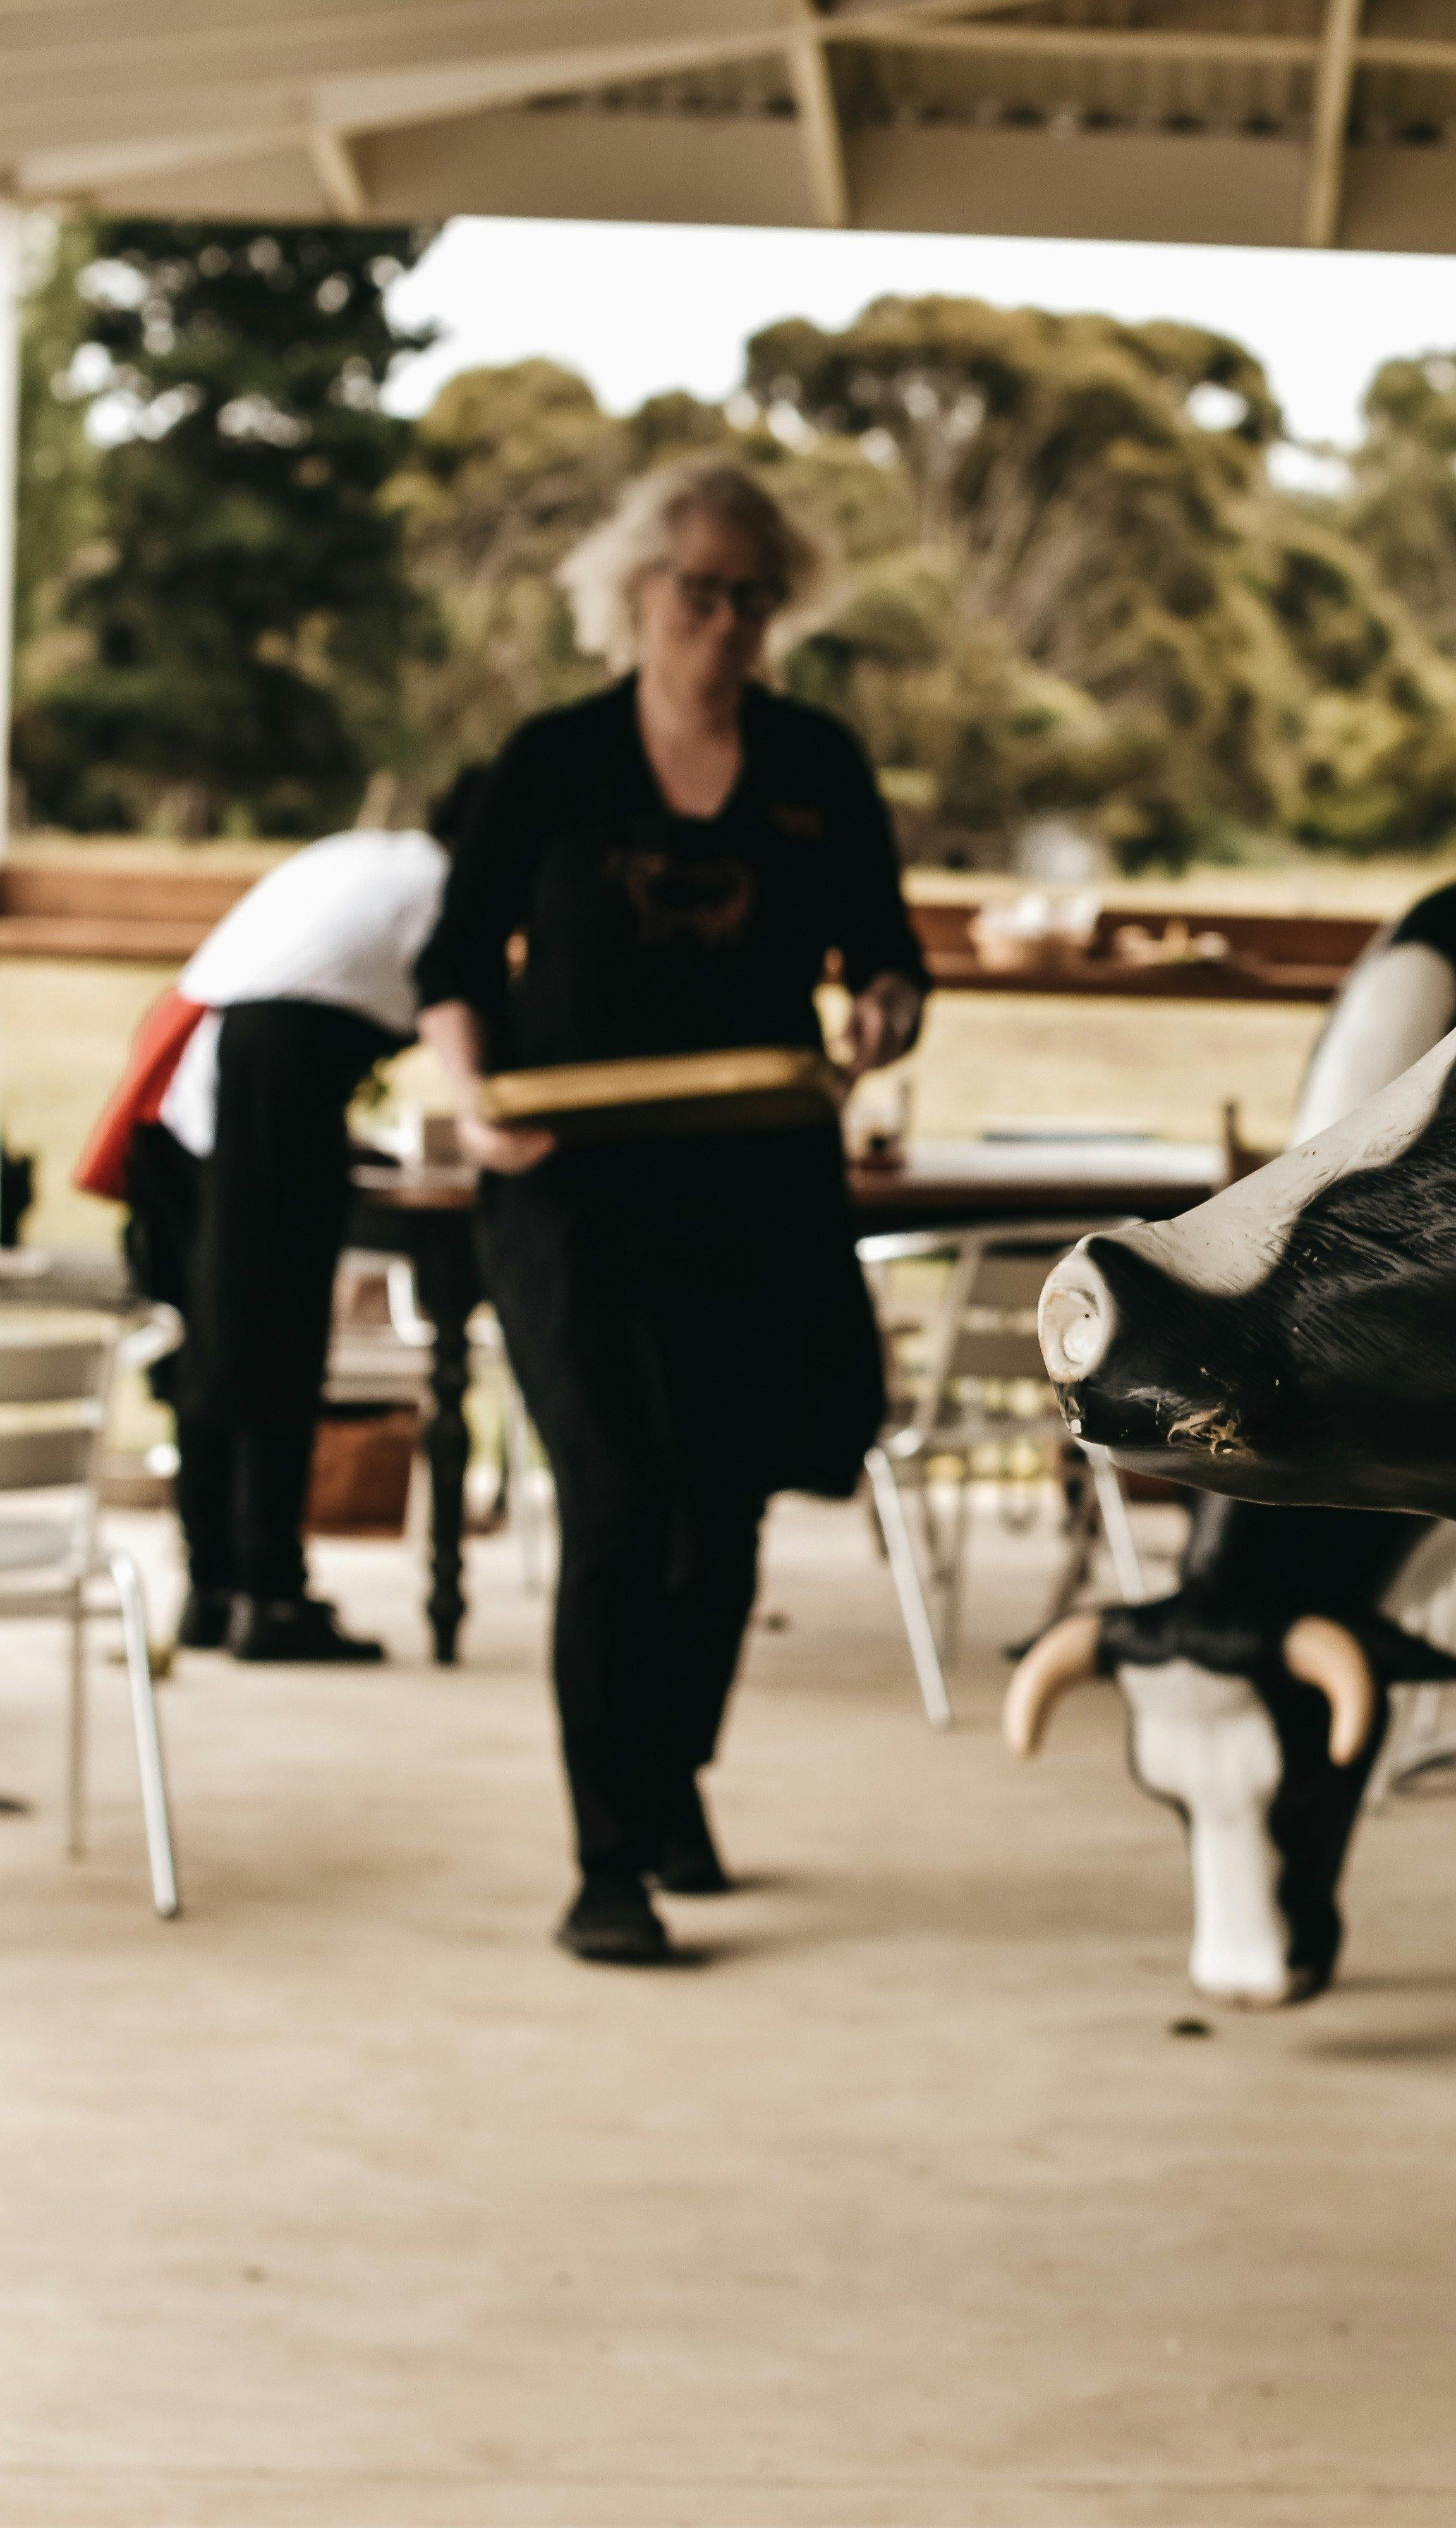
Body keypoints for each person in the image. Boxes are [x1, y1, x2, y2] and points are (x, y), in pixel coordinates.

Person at [415, 459, 926, 1967]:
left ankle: (675, 1777)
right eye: (701, 588)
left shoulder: (817, 762)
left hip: (759, 1184)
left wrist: (886, 1012)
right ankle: (607, 1859)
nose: (725, 618)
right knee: (623, 1498)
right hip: (567, 1187)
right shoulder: (557, 757)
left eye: (754, 595)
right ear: (634, 593)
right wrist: (472, 1094)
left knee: (728, 1503)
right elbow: (453, 958)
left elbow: (885, 951)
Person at [76, 777, 482, 1662]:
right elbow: (472, 1026)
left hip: (194, 1063)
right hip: (267, 1066)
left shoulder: (378, 856)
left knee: (217, 1337)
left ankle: (214, 1587)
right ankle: (271, 1594)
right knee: (273, 1334)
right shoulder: (452, 888)